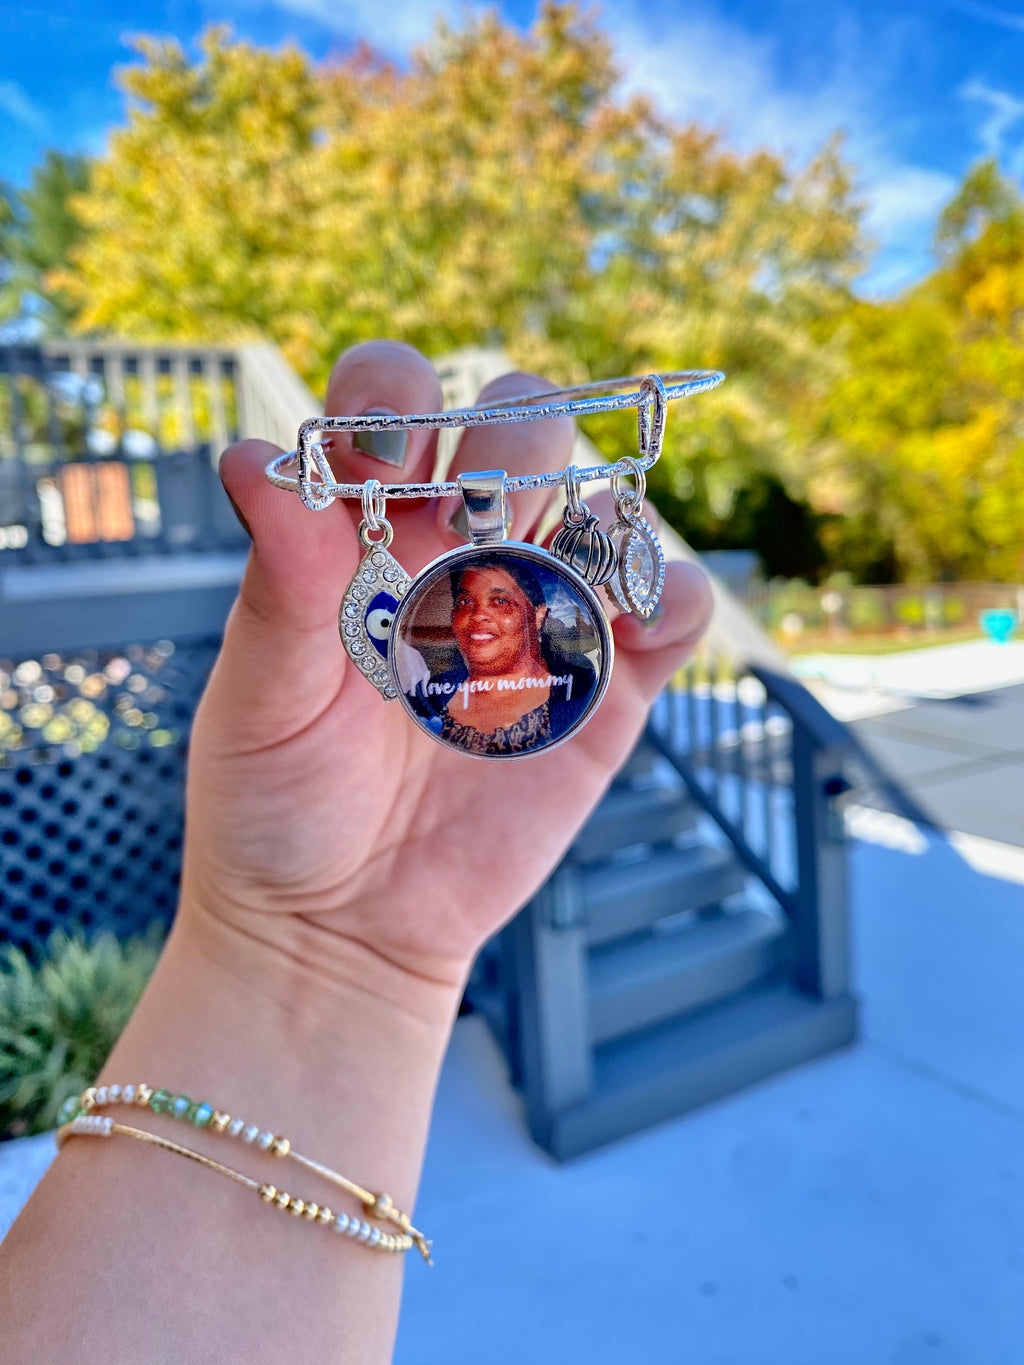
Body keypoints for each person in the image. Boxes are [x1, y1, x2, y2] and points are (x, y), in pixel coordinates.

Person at [0, 341, 712, 1364]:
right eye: (463, 606)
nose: (472, 615)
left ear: (531, 618)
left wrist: (335, 961)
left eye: (498, 604)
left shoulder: (550, 675)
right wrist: (292, 945)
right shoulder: (419, 669)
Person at [404, 555, 598, 755]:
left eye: (500, 601)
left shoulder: (578, 690)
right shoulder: (425, 696)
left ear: (538, 616)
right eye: (465, 601)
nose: (478, 614)